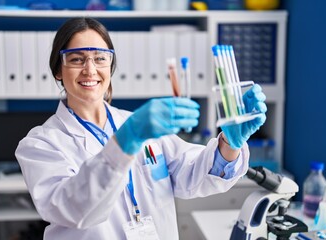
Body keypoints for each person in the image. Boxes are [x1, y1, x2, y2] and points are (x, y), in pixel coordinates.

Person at [15, 17, 267, 240]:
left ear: (110, 67)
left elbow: (192, 175)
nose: (90, 69)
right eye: (77, 59)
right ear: (58, 70)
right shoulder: (41, 144)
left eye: (100, 58)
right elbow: (74, 209)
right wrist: (127, 140)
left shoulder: (141, 125)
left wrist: (229, 145)